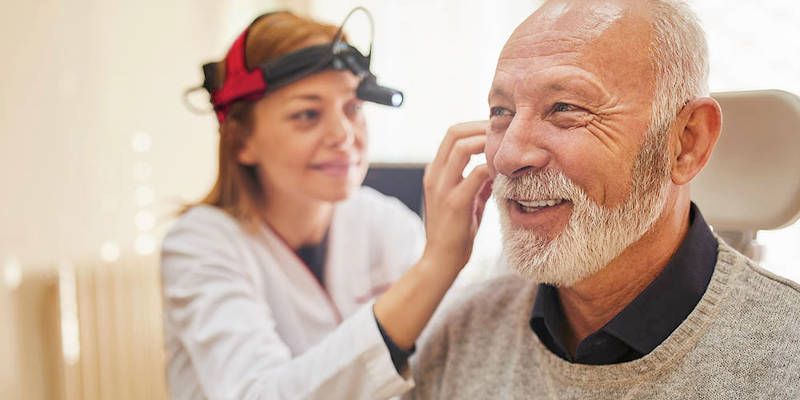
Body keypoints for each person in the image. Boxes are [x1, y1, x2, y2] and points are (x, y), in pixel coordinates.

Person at [403, 0, 800, 398]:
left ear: (685, 143)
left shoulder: (785, 358)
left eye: (565, 108)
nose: (507, 156)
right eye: (501, 111)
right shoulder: (465, 332)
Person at [160, 10, 491, 400]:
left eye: (352, 108)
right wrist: (436, 265)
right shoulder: (199, 245)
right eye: (308, 114)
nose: (343, 134)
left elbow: (460, 353)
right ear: (241, 141)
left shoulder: (383, 222)